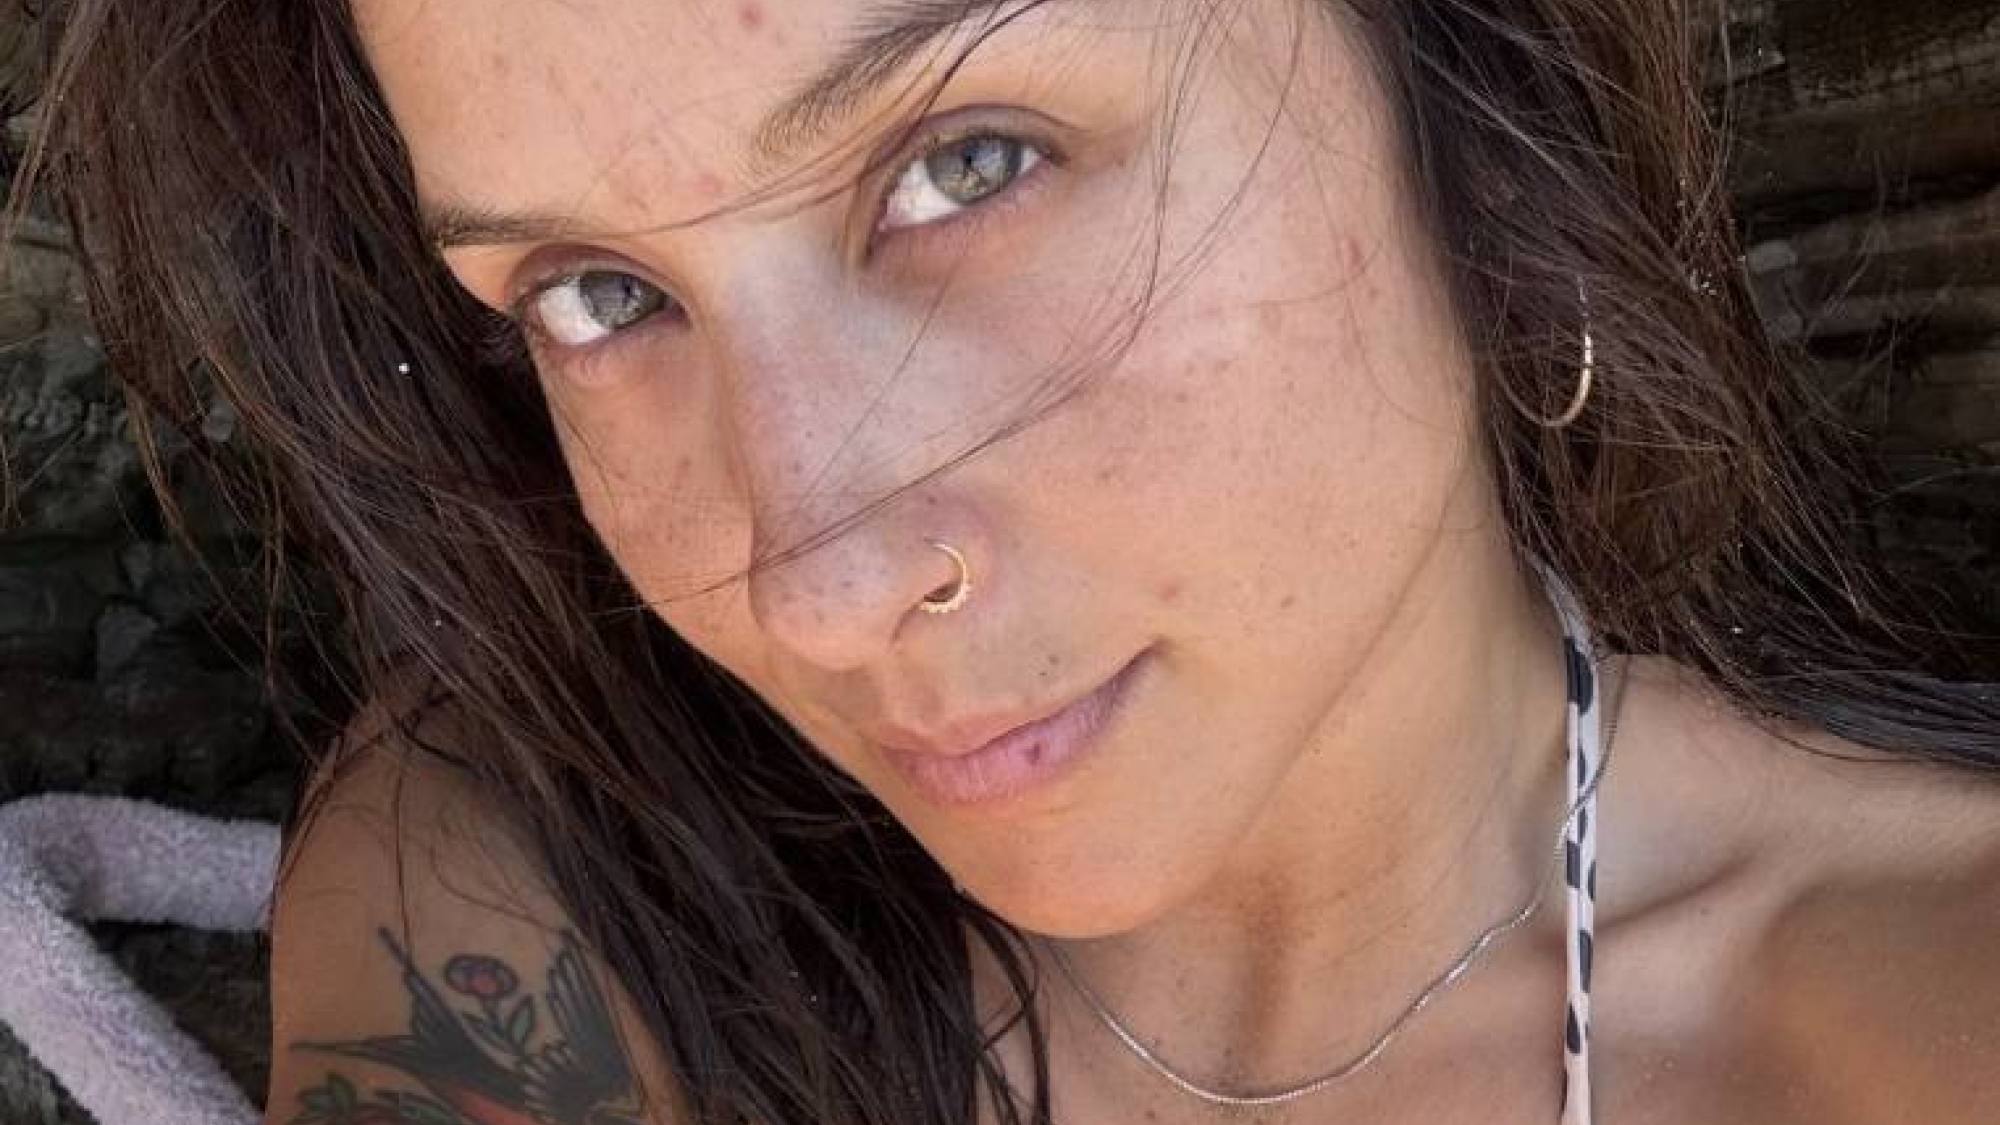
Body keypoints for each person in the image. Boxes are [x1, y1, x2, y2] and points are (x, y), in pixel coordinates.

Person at [16, 0, 2000, 1122]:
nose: (810, 583)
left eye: (970, 161)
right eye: (596, 290)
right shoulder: (541, 889)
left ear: (1473, 87)